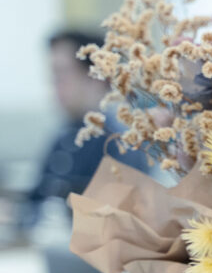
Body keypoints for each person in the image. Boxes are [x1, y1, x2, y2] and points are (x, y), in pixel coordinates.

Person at [21, 30, 147, 227]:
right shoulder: (63, 136)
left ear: (95, 77)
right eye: (53, 76)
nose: (55, 85)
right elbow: (37, 200)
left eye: (61, 74)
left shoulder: (119, 140)